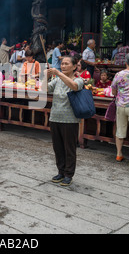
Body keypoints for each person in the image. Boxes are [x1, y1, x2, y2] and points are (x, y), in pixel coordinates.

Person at [43, 56, 84, 187]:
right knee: (58, 147)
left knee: (69, 148)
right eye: (62, 64)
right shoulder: (57, 80)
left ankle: (68, 174)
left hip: (70, 120)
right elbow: (45, 89)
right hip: (55, 117)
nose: (63, 66)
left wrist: (58, 73)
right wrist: (45, 76)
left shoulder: (79, 79)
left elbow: (75, 87)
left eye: (66, 64)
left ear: (74, 67)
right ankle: (60, 171)